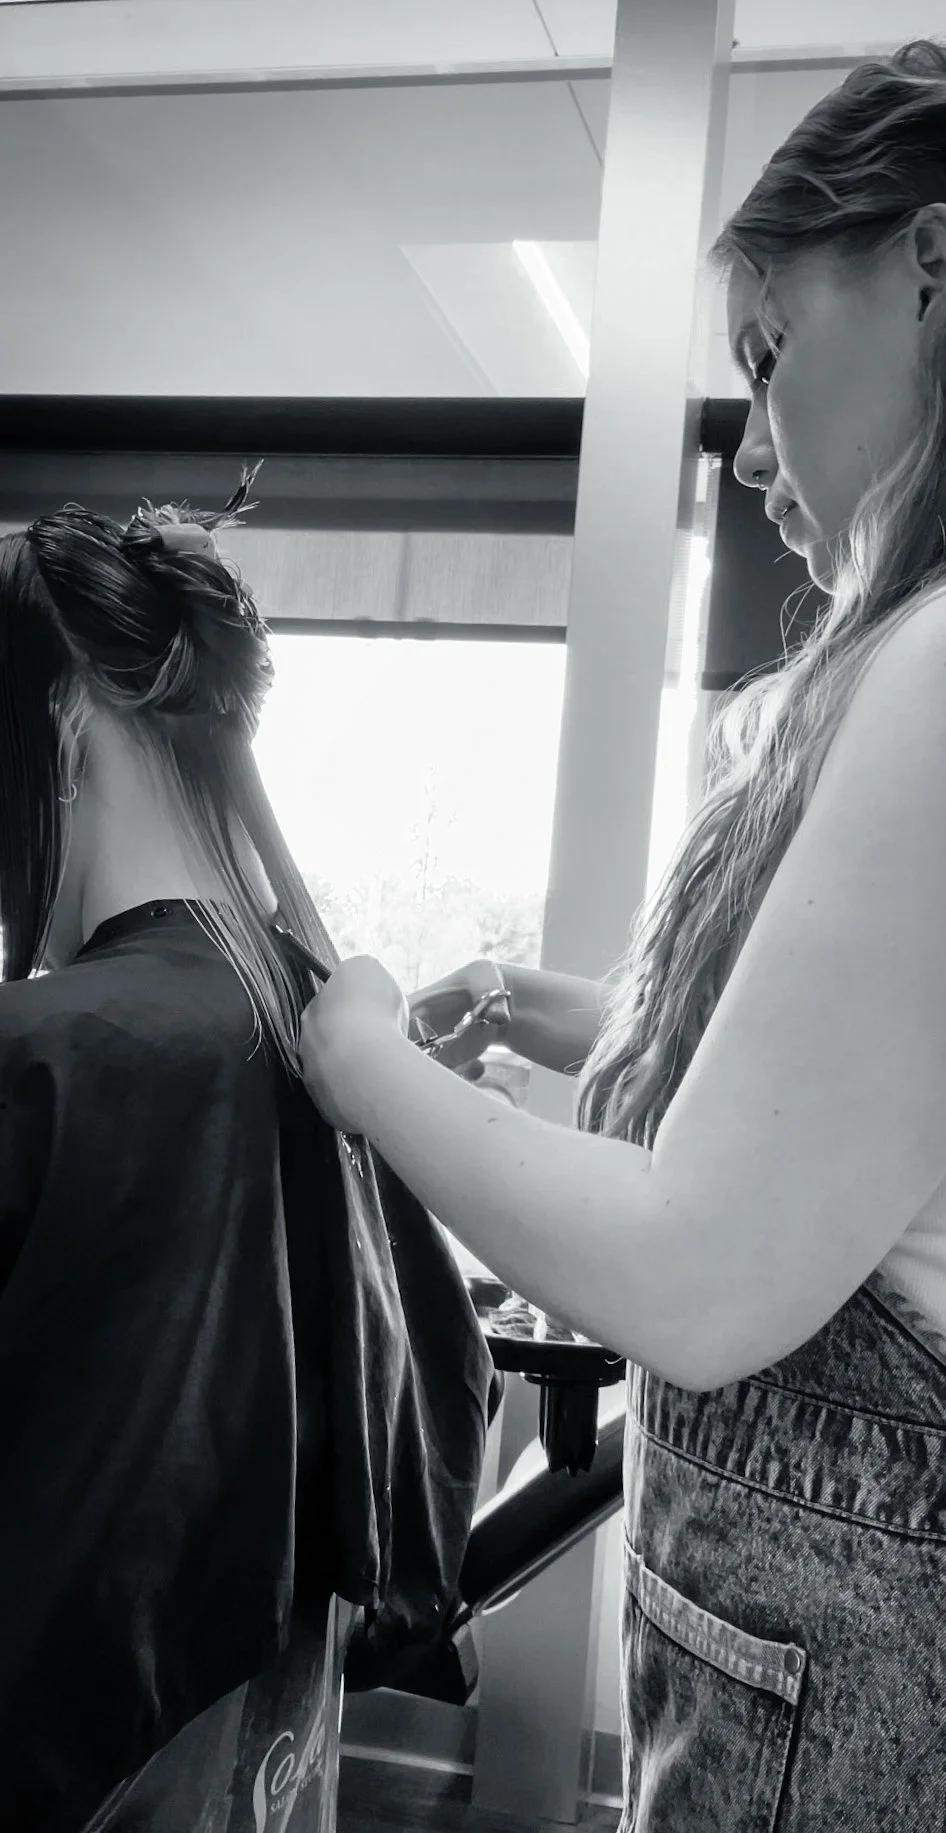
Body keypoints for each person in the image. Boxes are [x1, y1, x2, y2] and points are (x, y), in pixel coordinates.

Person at [299, 39, 946, 1833]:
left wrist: (360, 1057)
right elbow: (935, 1141)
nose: (757, 441)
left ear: (930, 269)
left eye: (770, 357)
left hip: (906, 1688)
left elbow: (704, 1277)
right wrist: (606, 1018)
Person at [0, 478, 496, 1832]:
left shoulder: (55, 1047)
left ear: (52, 720)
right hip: (262, 1732)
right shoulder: (329, 1025)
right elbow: (452, 1383)